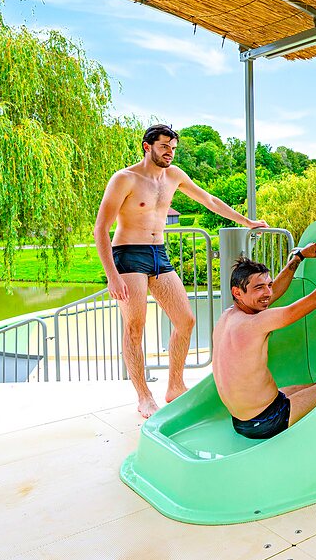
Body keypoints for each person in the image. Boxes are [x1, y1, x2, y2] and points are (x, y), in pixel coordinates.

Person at [95, 124, 268, 418]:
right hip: (128, 254)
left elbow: (209, 201)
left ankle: (175, 385)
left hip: (158, 254)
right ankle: (143, 396)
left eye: (173, 148)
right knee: (134, 326)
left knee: (185, 321)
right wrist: (112, 275)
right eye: (164, 147)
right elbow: (101, 229)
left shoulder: (173, 176)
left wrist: (247, 222)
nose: (170, 154)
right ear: (147, 146)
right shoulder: (124, 179)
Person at [214, 245, 316, 440]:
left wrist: (298, 257)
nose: (267, 293)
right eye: (259, 287)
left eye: (269, 285)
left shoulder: (228, 317)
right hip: (266, 421)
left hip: (241, 420)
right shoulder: (256, 323)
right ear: (237, 292)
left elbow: (272, 293)